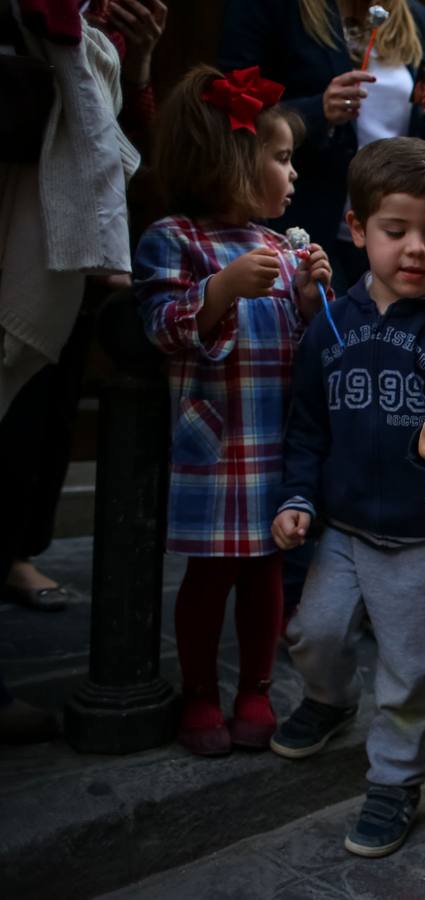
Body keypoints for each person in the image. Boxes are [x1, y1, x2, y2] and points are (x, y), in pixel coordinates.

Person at [266, 137, 425, 858]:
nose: (418, 249)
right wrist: (298, 495)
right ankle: (330, 699)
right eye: (397, 231)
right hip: (342, 530)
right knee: (312, 633)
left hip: (421, 540)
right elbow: (307, 426)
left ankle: (395, 779)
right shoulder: (330, 324)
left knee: (407, 669)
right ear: (358, 229)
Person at [134, 66, 331, 755]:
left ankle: (254, 686)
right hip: (216, 444)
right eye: (281, 159)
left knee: (265, 571)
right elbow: (161, 326)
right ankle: (197, 692)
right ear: (233, 160)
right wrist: (219, 289)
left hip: (273, 439)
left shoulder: (279, 247)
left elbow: (305, 352)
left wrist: (309, 303)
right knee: (211, 572)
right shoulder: (173, 238)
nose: (293, 174)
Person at [1, 0, 165, 612]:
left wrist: (141, 60)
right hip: (18, 213)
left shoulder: (103, 29)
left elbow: (132, 134)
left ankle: (17, 550)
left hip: (66, 248)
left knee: (43, 416)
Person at [220, 0, 425, 291]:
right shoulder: (277, 9)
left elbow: (410, 132)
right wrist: (317, 112)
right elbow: (230, 108)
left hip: (390, 230)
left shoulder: (415, 18)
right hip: (303, 217)